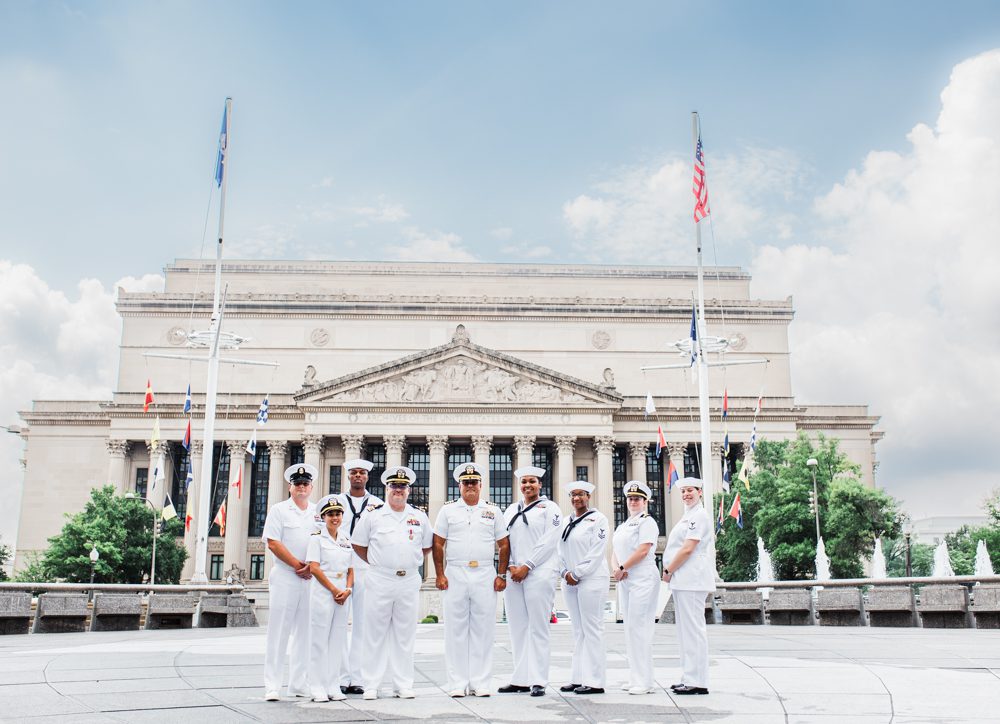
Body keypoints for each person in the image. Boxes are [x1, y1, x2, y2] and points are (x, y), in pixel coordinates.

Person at [350, 466, 433, 701]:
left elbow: (426, 546)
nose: (398, 490)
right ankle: (371, 685)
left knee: (405, 635)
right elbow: (358, 544)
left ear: (409, 490)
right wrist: (378, 563)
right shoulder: (373, 515)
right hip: (380, 579)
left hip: (407, 580)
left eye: (402, 487)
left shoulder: (419, 516)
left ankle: (403, 684)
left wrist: (408, 561)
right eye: (394, 486)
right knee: (374, 634)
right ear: (387, 488)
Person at [433, 462, 510, 697]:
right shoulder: (447, 511)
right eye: (465, 483)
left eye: (473, 482)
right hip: (455, 572)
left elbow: (504, 544)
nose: (470, 486)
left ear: (480, 485)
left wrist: (501, 574)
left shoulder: (493, 511)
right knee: (455, 630)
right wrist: (439, 574)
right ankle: (457, 682)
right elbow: (438, 542)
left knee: (483, 630)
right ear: (459, 485)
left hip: (485, 573)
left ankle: (480, 682)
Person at [499, 465, 562, 697]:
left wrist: (528, 566)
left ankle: (538, 680)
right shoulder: (511, 510)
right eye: (524, 481)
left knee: (538, 627)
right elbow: (505, 541)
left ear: (540, 484)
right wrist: (513, 565)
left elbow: (549, 540)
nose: (528, 485)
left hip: (539, 572)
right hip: (515, 573)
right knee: (517, 627)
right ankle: (520, 678)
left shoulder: (550, 508)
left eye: (532, 481)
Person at [262, 463, 319, 701]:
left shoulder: (317, 513)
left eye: (305, 484)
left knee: (305, 633)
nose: (302, 488)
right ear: (290, 487)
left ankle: (298, 683)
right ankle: (272, 685)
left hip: (310, 579)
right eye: (297, 484)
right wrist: (298, 565)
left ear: (311, 487)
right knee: (279, 632)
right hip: (287, 576)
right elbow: (273, 542)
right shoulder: (279, 510)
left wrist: (312, 568)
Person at [662, 477, 717, 696]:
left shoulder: (699, 516)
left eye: (690, 490)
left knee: (693, 630)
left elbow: (687, 548)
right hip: (684, 579)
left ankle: (697, 680)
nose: (686, 494)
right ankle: (689, 676)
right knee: (686, 631)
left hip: (691, 578)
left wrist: (668, 570)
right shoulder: (688, 516)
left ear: (700, 492)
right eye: (683, 491)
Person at [557, 481, 609, 695]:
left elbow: (596, 552)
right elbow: (558, 550)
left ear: (588, 497)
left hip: (592, 579)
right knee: (578, 630)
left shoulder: (599, 519)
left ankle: (595, 681)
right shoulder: (565, 521)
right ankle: (578, 677)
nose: (577, 499)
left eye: (581, 495)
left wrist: (577, 573)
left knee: (592, 629)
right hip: (569, 581)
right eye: (573, 495)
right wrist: (564, 572)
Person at [335, 458, 383, 695]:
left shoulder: (377, 504)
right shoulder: (334, 503)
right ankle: (341, 677)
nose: (357, 476)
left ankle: (359, 677)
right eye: (354, 472)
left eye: (362, 473)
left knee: (364, 624)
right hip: (339, 567)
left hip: (365, 567)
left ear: (367, 476)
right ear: (348, 476)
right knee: (339, 623)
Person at [611, 481, 660, 695]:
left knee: (641, 628)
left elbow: (643, 551)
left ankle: (645, 681)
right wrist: (616, 569)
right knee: (630, 628)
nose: (633, 502)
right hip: (626, 580)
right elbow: (614, 550)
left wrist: (622, 568)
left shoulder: (647, 522)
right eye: (630, 499)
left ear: (645, 502)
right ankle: (635, 677)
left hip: (643, 578)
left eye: (637, 499)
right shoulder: (624, 525)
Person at [306, 496, 354, 702]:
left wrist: (348, 590)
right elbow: (314, 568)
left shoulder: (345, 539)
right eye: (331, 514)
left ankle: (333, 685)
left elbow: (351, 569)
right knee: (319, 640)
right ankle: (316, 686)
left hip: (343, 594)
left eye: (338, 514)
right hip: (324, 592)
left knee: (337, 641)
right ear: (323, 517)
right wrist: (335, 590)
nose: (335, 518)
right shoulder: (316, 538)